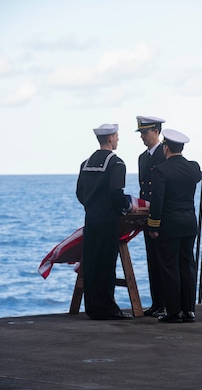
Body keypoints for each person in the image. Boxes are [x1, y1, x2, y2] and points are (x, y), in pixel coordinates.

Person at [76, 123, 135, 320]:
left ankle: (92, 307)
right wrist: (127, 207)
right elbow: (116, 193)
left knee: (92, 263)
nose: (118, 139)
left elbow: (79, 193)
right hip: (108, 220)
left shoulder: (85, 163)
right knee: (107, 264)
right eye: (117, 136)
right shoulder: (116, 164)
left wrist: (91, 208)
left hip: (91, 220)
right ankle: (108, 307)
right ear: (110, 138)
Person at [147, 128, 202, 323]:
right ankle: (189, 310)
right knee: (187, 265)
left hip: (169, 225)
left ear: (166, 147)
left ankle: (173, 311)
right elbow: (198, 176)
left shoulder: (161, 170)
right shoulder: (193, 168)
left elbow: (158, 201)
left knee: (170, 267)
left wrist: (153, 226)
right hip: (189, 223)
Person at [136, 115, 166, 317]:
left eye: (145, 132)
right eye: (141, 133)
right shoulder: (142, 158)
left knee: (164, 262)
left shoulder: (165, 155)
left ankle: (165, 304)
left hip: (162, 216)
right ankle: (156, 303)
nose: (142, 137)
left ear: (156, 131)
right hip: (148, 216)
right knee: (152, 262)